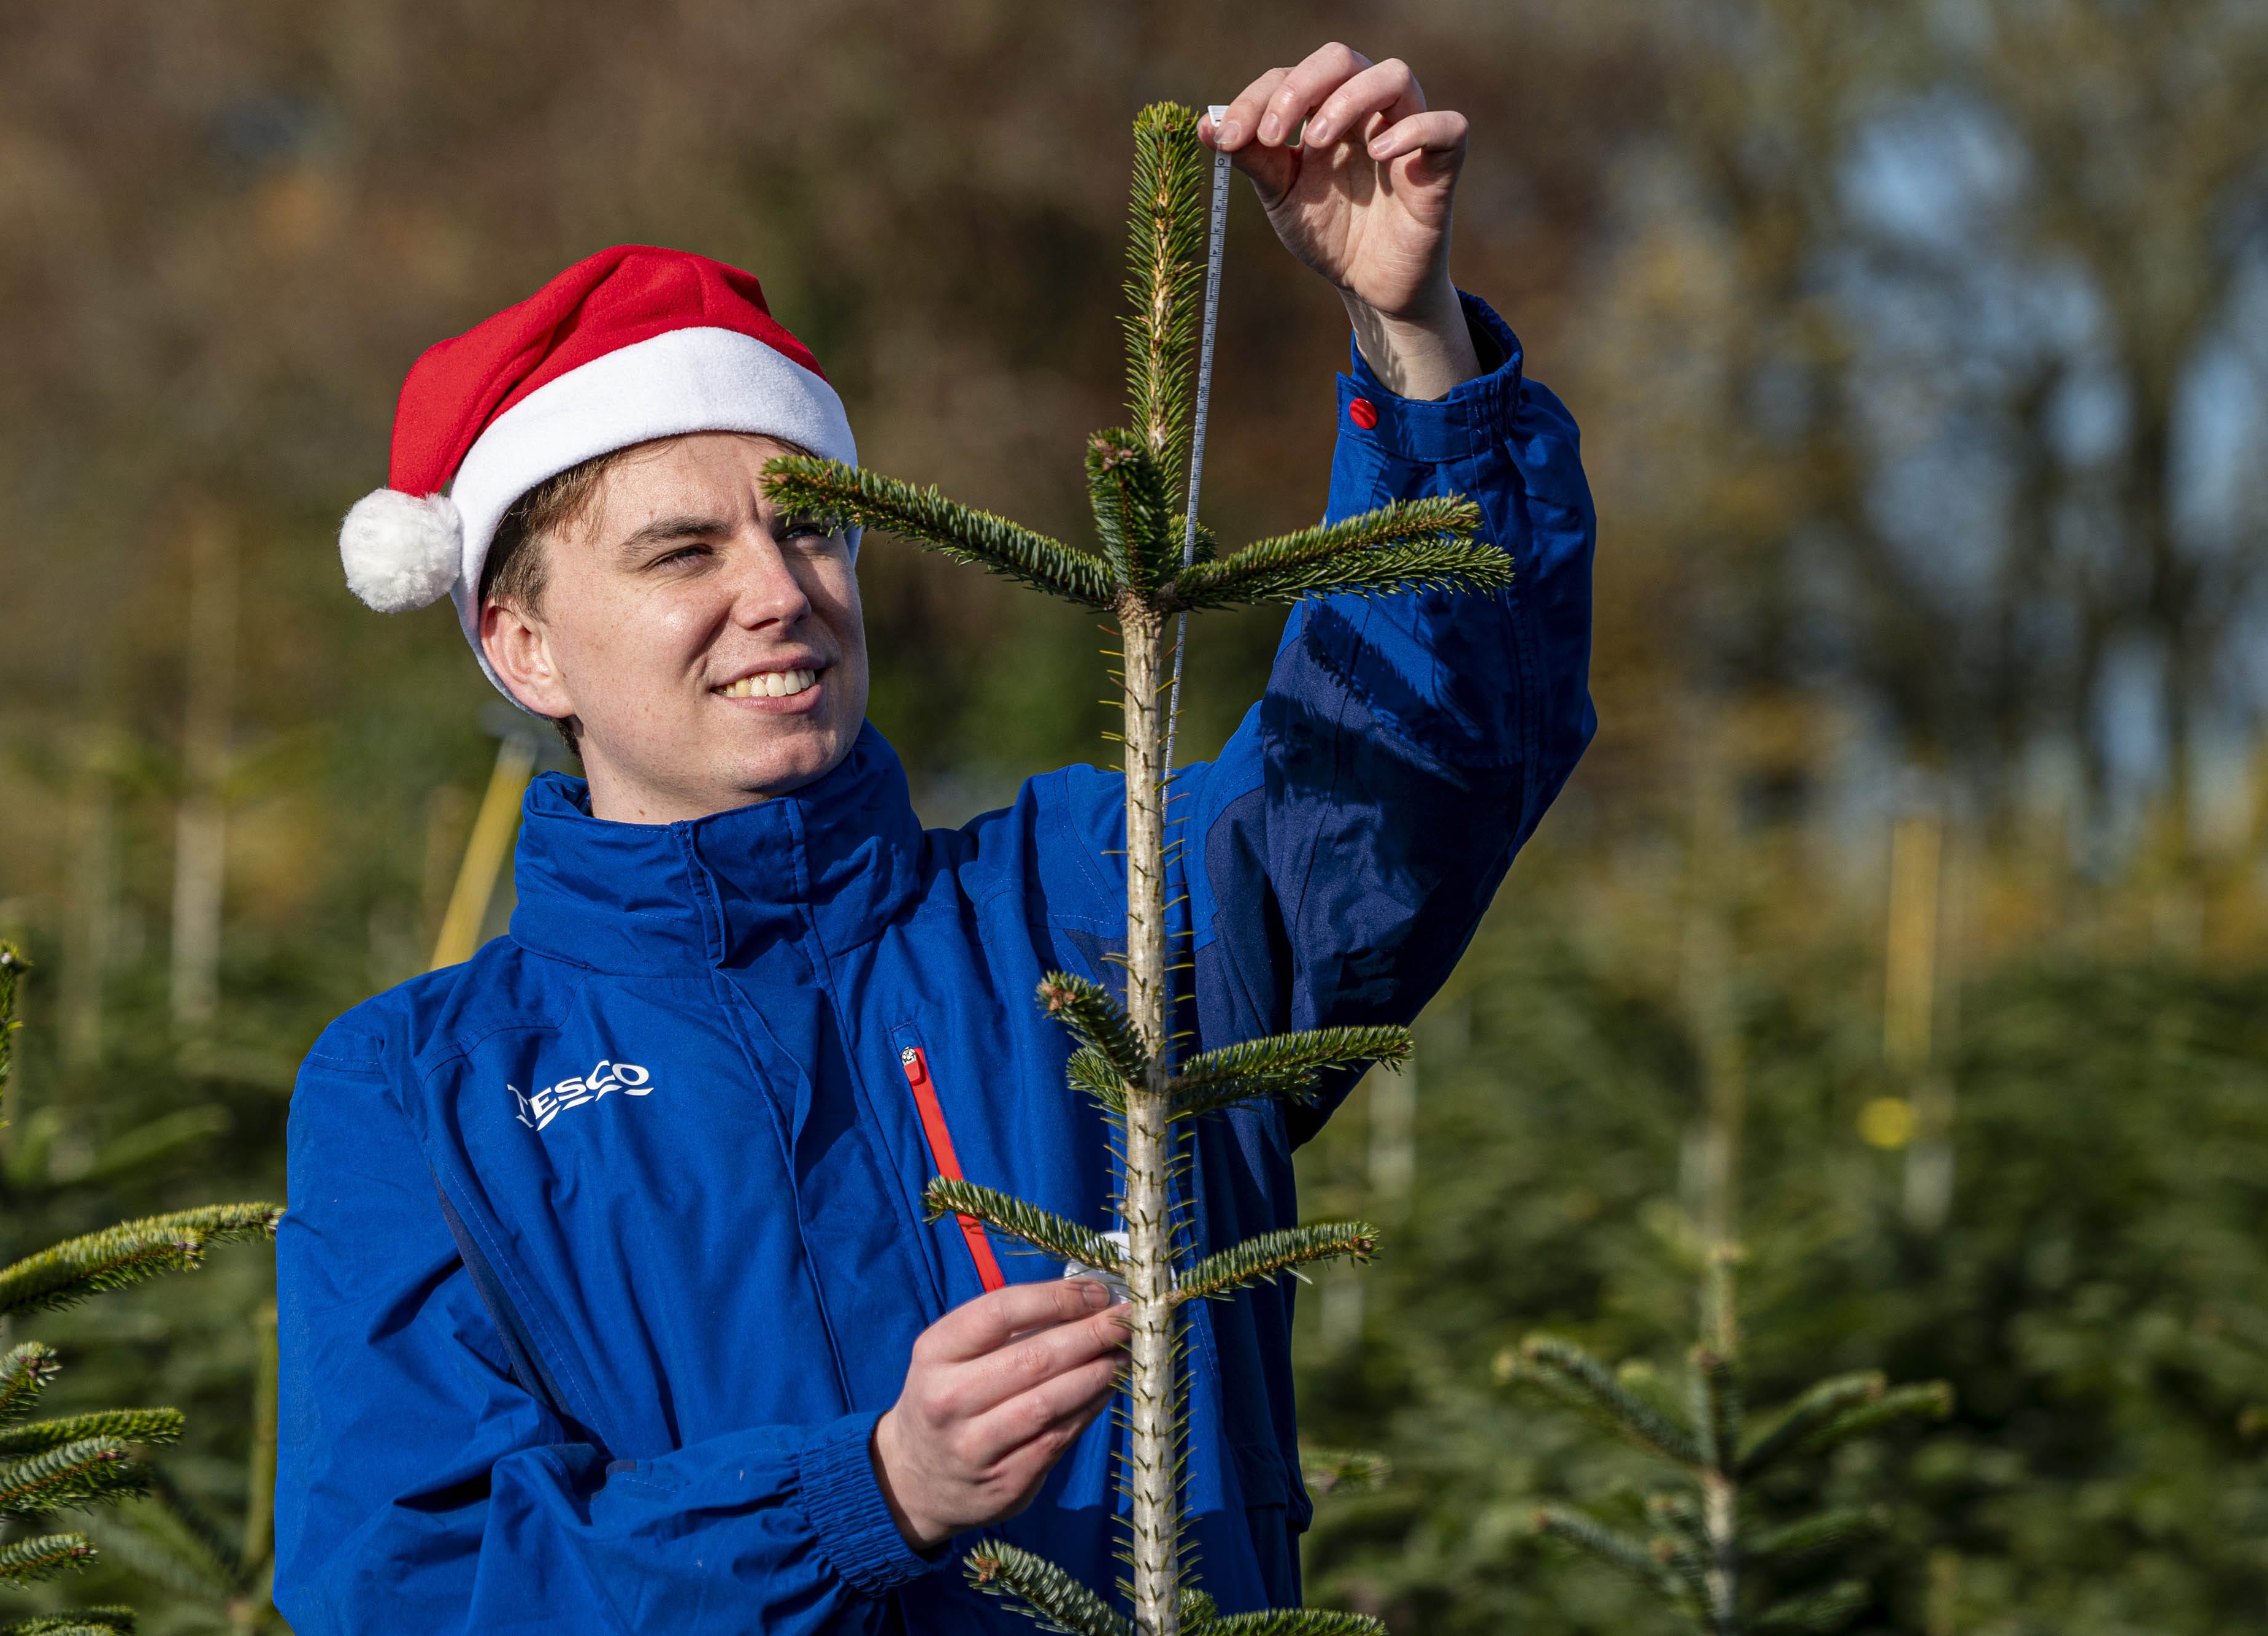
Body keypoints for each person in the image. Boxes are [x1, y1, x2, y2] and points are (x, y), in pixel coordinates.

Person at [275, 40, 1594, 1635]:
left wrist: (1414, 346)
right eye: (683, 552)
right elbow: (415, 1592)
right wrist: (867, 1495)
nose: (780, 592)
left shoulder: (1101, 900)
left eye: (812, 525)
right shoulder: (417, 1092)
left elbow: (1413, 770)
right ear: (523, 646)